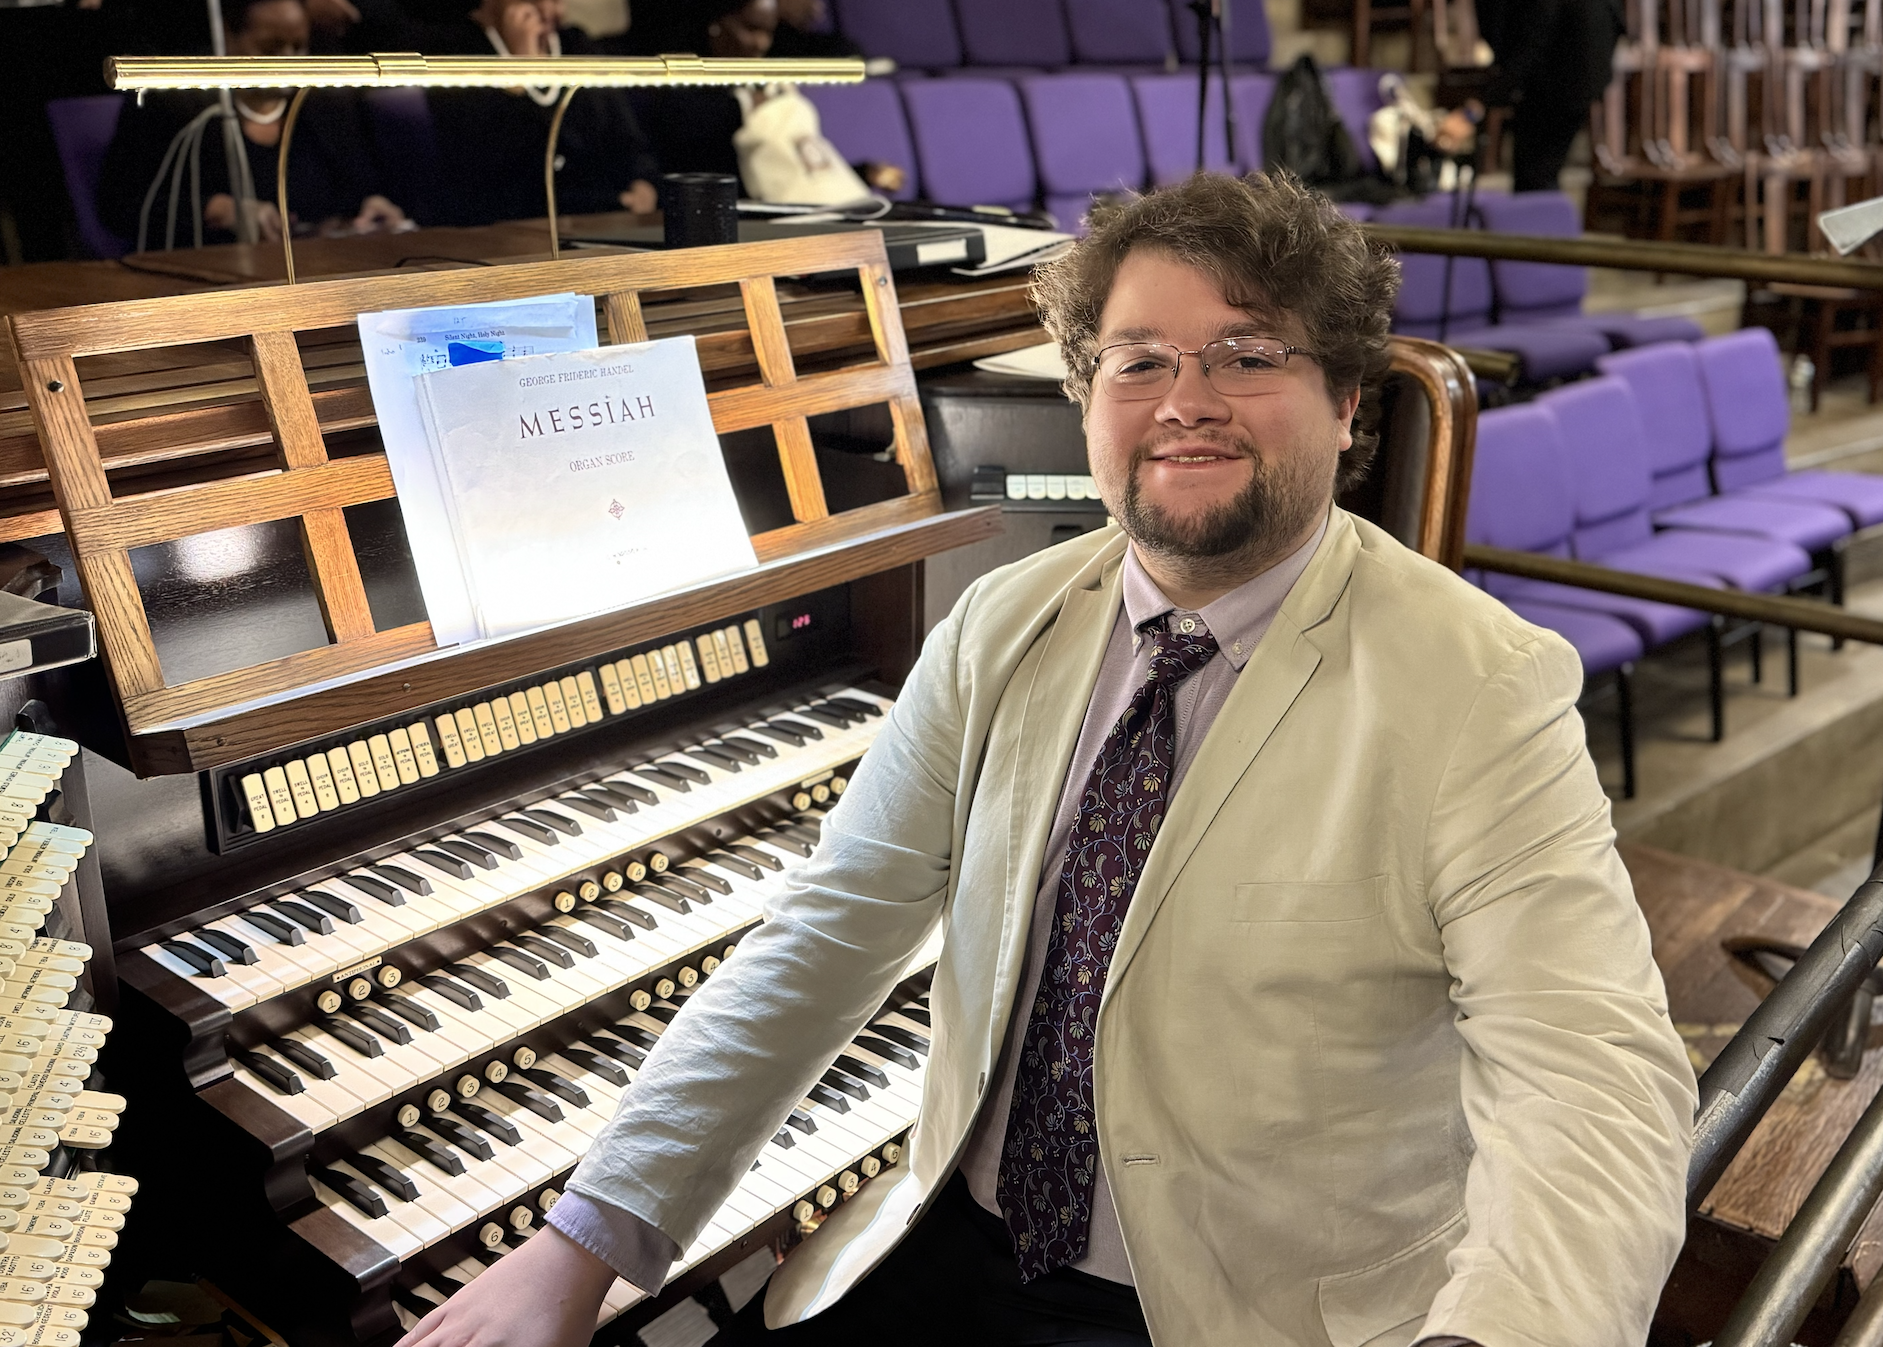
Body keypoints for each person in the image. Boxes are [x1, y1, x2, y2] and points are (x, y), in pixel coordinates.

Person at [395, 172, 1698, 1347]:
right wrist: (587, 1238)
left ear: (1346, 399)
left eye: (1244, 355)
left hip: (1241, 1310)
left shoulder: (1473, 685)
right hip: (957, 1245)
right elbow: (824, 932)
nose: (1183, 401)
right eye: (1135, 362)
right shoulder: (1002, 626)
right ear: (1082, 399)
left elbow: (1588, 1075)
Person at [97, 0, 408, 248]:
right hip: (208, 273)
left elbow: (361, 184)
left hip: (320, 267)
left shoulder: (324, 103)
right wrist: (217, 209)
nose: (288, 62)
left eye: (299, 47)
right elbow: (120, 207)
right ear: (228, 37)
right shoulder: (175, 101)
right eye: (270, 48)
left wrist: (372, 205)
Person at [423, 0, 660, 225]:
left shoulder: (576, 44)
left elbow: (627, 140)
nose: (548, 11)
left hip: (603, 214)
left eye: (556, 1)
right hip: (508, 225)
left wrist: (644, 184)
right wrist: (520, 71)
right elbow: (486, 173)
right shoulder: (455, 50)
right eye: (533, 2)